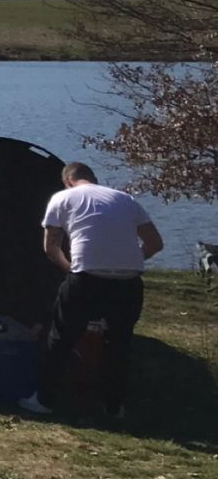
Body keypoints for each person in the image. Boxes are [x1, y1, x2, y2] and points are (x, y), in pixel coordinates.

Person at [19, 162, 162, 419]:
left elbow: (51, 247)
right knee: (119, 343)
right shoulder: (125, 199)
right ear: (94, 179)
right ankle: (114, 406)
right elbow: (155, 243)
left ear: (67, 181)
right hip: (129, 281)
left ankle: (44, 399)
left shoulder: (62, 197)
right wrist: (131, 261)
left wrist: (70, 269)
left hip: (87, 278)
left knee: (61, 337)